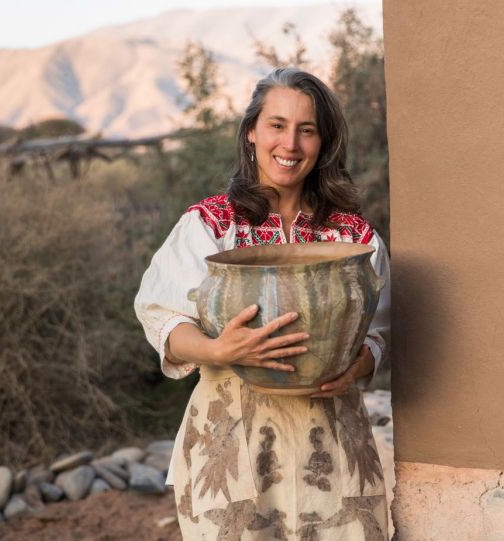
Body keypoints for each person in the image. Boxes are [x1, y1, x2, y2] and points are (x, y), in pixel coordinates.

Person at [134, 67, 391, 540]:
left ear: (323, 141)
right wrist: (218, 351)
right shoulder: (209, 226)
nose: (290, 144)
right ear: (251, 131)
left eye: (306, 130)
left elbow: (380, 332)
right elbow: (161, 314)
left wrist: (354, 370)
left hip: (331, 446)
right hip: (232, 447)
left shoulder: (356, 237)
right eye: (277, 125)